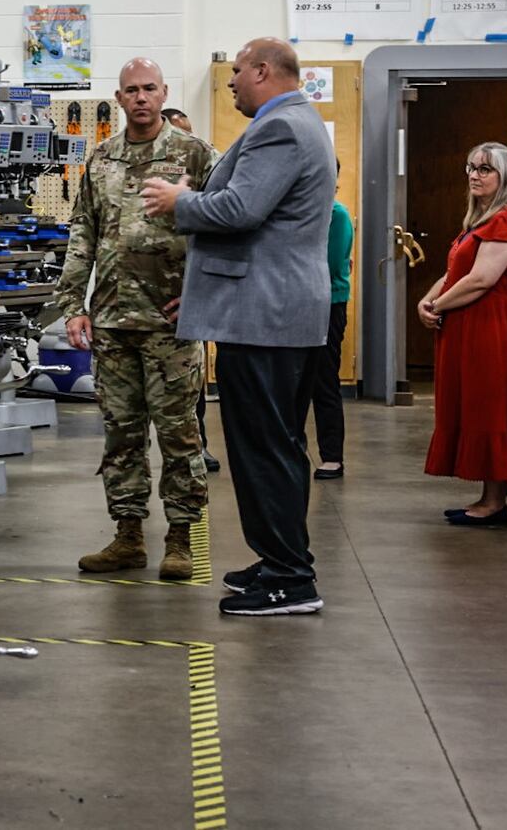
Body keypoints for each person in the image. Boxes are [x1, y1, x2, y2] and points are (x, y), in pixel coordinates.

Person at [140, 38, 336, 616]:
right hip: (269, 312)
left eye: (235, 74)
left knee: (265, 449)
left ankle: (290, 579)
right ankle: (279, 558)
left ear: (263, 71)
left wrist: (180, 200)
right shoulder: (300, 124)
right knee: (274, 446)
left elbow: (239, 211)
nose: (229, 84)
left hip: (266, 317)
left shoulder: (281, 129)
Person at [54, 59, 217, 580]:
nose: (141, 97)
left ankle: (181, 538)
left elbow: (224, 227)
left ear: (164, 92)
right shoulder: (101, 158)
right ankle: (127, 536)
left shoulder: (195, 155)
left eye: (149, 89)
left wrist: (202, 294)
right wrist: (73, 304)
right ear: (119, 99)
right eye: (131, 91)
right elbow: (83, 232)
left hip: (171, 324)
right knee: (121, 435)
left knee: (178, 436)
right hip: (112, 321)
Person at [420, 142, 507, 523]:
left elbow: (481, 280)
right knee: (477, 407)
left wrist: (438, 306)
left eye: (485, 169)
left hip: (490, 328)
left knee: (492, 409)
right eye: (471, 167)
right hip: (467, 325)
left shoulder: (506, 218)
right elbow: (454, 274)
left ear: (504, 177)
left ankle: (494, 504)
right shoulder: (479, 221)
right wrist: (427, 300)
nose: (475, 175)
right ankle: (488, 498)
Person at [163, 106, 222, 475]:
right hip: (142, 297)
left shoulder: (203, 170)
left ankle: (198, 443)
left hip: (189, 293)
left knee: (193, 381)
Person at [311, 173, 354, 480]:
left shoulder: (336, 214)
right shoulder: (307, 210)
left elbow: (329, 264)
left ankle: (332, 457)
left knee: (324, 381)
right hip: (301, 304)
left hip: (328, 304)